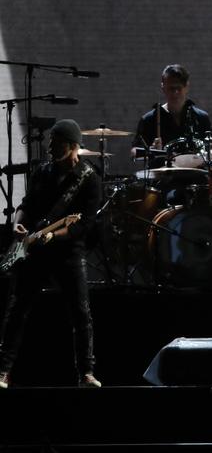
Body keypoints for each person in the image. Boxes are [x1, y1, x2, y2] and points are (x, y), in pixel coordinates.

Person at [0, 120, 102, 388]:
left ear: (71, 146)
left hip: (68, 252)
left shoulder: (89, 180)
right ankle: (2, 371)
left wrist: (52, 235)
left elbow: (82, 226)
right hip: (35, 249)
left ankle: (86, 374)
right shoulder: (42, 173)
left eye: (55, 142)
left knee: (80, 313)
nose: (48, 146)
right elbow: (26, 205)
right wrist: (17, 225)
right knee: (17, 310)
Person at [131, 64, 212, 163]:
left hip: (195, 175)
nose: (175, 93)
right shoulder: (149, 119)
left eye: (179, 88)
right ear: (163, 87)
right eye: (171, 88)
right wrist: (151, 151)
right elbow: (134, 152)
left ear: (186, 87)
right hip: (162, 176)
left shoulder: (201, 117)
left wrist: (207, 156)